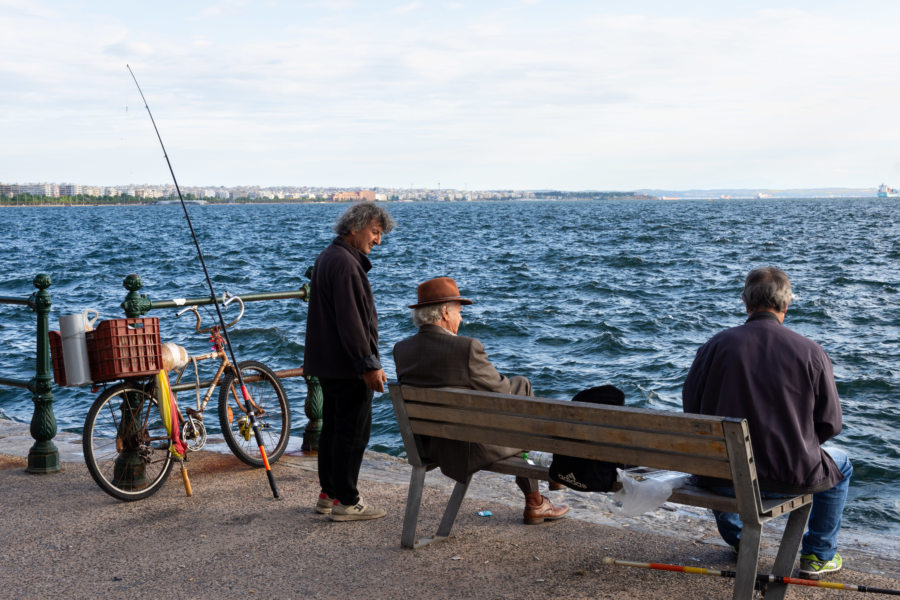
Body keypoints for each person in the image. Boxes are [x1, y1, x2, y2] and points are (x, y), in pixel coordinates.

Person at [682, 267, 852, 580]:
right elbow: (830, 425)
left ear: (746, 303)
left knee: (725, 455)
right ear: (786, 305)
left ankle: (740, 540)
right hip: (788, 477)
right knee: (843, 466)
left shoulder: (713, 347)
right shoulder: (811, 352)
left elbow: (691, 410)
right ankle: (817, 554)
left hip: (720, 475)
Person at [393, 276, 569, 524]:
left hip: (431, 448)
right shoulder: (466, 348)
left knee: (519, 392)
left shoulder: (402, 349)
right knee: (522, 386)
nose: (461, 318)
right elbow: (503, 393)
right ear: (445, 312)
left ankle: (538, 498)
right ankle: (536, 498)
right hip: (467, 451)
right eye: (459, 312)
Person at [304, 202, 395, 522]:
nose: (378, 241)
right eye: (375, 232)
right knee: (353, 432)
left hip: (327, 363)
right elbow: (352, 322)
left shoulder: (330, 257)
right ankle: (348, 500)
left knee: (333, 429)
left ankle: (328, 494)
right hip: (347, 367)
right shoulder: (345, 264)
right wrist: (368, 364)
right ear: (354, 227)